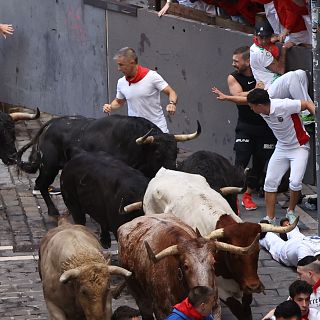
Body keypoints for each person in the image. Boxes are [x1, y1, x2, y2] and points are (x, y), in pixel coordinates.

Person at [246, 88, 315, 224]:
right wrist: (226, 97)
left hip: (299, 146)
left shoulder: (283, 105)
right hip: (282, 147)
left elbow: (307, 104)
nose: (251, 109)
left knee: (295, 182)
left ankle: (291, 212)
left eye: (252, 107)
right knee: (270, 182)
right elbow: (244, 100)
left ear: (259, 106)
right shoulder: (261, 107)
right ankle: (270, 218)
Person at [224, 46, 276, 210]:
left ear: (248, 61)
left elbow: (271, 91)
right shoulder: (233, 77)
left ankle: (247, 195)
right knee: (240, 161)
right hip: (245, 127)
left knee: (260, 163)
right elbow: (237, 96)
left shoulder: (261, 72)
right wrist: (256, 90)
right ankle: (233, 200)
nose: (233, 64)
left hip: (266, 127)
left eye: (236, 61)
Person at [102, 47, 177, 133]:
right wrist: (110, 106)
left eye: (121, 65)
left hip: (157, 129)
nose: (118, 69)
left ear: (132, 63)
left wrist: (172, 103)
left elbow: (171, 92)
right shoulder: (121, 82)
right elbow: (119, 102)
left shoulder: (152, 76)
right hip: (136, 132)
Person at [250, 15, 312, 103]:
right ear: (255, 36)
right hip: (268, 90)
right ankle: (306, 110)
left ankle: (304, 109)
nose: (263, 41)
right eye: (261, 37)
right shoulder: (259, 52)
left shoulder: (258, 45)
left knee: (301, 74)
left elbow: (266, 42)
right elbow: (281, 70)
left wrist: (271, 40)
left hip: (276, 83)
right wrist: (284, 49)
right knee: (291, 76)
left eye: (266, 37)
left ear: (270, 36)